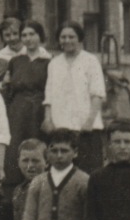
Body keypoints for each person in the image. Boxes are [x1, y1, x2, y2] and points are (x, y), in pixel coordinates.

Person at [43, 22, 109, 172]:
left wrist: (89, 122)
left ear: (80, 38)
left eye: (71, 37)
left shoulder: (90, 61)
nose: (67, 40)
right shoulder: (54, 63)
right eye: (63, 37)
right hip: (60, 128)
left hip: (86, 130)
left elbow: (97, 94)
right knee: (61, 171)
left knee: (89, 172)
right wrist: (48, 120)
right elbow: (49, 95)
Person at [1, 22, 50, 185]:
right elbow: (8, 90)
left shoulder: (48, 62)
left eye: (32, 34)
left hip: (38, 111)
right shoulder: (15, 61)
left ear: (40, 36)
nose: (28, 39)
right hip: (17, 112)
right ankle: (14, 188)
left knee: (37, 148)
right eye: (24, 35)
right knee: (15, 148)